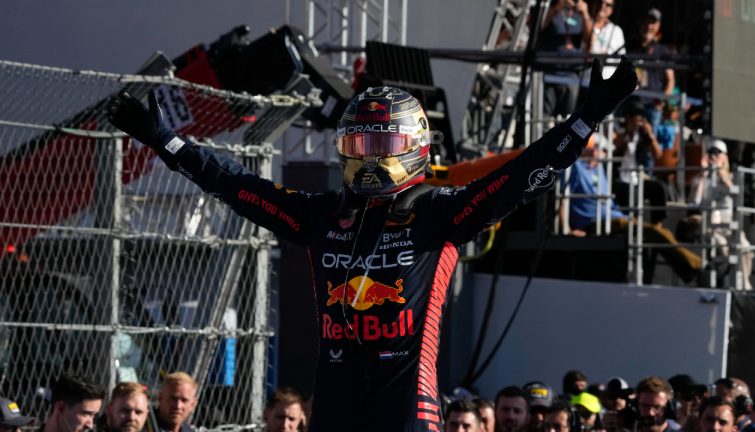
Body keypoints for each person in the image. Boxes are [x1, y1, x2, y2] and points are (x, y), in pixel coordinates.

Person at [106, 55, 638, 432]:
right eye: (359, 143)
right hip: (335, 407)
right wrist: (165, 139)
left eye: (381, 145)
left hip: (408, 410)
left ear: (413, 148)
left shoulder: (438, 214)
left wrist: (588, 116)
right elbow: (237, 186)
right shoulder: (319, 217)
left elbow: (520, 177)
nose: (368, 156)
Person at [560, 142, 701, 283]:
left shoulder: (599, 169)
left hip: (614, 217)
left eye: (599, 148)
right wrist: (567, 230)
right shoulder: (574, 168)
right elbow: (563, 199)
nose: (598, 151)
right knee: (654, 231)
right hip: (594, 222)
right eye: (594, 147)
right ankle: (697, 266)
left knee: (659, 232)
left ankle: (690, 271)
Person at [687, 140, 753, 289]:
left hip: (729, 224)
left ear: (725, 157)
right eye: (711, 153)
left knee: (744, 247)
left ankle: (744, 285)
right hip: (709, 224)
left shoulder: (731, 177)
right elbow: (695, 201)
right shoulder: (700, 179)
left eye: (718, 153)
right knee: (721, 247)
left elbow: (736, 197)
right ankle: (716, 284)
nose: (714, 157)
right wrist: (704, 174)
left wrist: (722, 174)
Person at [539, 0, 594, 118]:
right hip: (549, 71)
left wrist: (585, 14)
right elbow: (540, 26)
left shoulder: (581, 14)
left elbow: (589, 40)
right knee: (543, 117)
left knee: (566, 119)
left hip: (571, 75)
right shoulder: (551, 7)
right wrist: (558, 7)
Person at [627, 8, 675, 129]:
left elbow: (671, 80)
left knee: (650, 140)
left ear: (658, 26)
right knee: (631, 136)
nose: (648, 26)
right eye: (646, 22)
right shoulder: (631, 47)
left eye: (652, 23)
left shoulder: (663, 51)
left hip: (654, 104)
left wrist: (662, 100)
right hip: (634, 101)